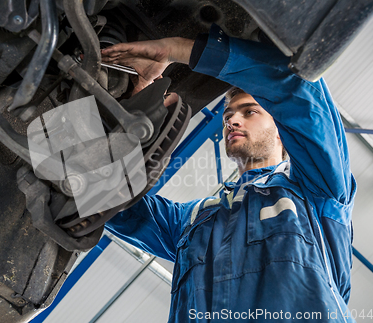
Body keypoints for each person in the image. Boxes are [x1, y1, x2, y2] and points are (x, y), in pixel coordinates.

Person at [101, 25, 356, 322]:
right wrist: (120, 119)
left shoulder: (316, 192)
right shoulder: (193, 218)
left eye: (250, 111)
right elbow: (110, 200)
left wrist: (172, 50)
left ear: (281, 132)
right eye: (228, 116)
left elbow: (298, 93)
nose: (232, 119)